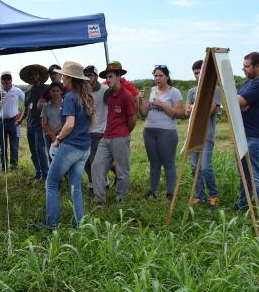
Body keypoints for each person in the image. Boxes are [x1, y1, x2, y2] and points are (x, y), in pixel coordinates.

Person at [44, 61, 95, 230]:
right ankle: (78, 224)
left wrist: (57, 140)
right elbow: (92, 124)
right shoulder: (85, 96)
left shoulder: (70, 97)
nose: (61, 77)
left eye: (63, 75)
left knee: (51, 183)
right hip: (84, 148)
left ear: (69, 78)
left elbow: (69, 124)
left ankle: (51, 225)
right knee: (75, 187)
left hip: (70, 147)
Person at [91, 63, 137, 205]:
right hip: (106, 136)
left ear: (119, 77)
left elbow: (132, 120)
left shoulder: (126, 96)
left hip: (120, 137)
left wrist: (124, 134)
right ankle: (99, 200)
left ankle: (120, 199)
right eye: (107, 77)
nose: (108, 79)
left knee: (122, 170)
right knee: (96, 166)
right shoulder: (109, 94)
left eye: (111, 76)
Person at [235, 52, 259, 215]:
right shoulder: (249, 82)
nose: (243, 68)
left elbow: (238, 100)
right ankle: (243, 204)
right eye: (243, 65)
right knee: (244, 173)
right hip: (244, 133)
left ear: (258, 66)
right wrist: (239, 101)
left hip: (256, 135)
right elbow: (237, 99)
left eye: (247, 66)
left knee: (257, 174)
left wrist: (240, 102)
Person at [140, 65, 184, 200]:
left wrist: (163, 104)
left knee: (168, 162)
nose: (157, 78)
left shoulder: (174, 92)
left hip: (167, 131)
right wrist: (139, 101)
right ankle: (152, 191)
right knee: (154, 163)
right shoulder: (149, 91)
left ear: (167, 77)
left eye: (160, 75)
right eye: (155, 76)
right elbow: (143, 114)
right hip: (149, 130)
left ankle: (171, 192)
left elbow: (179, 114)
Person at [185, 59, 222, 208]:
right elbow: (187, 111)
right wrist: (193, 108)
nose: (197, 75)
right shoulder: (191, 91)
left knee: (205, 167)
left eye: (200, 72)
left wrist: (195, 108)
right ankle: (199, 196)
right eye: (195, 73)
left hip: (207, 134)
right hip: (193, 134)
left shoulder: (215, 89)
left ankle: (213, 195)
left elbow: (212, 109)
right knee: (195, 167)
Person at [18, 64, 49, 180]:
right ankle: (38, 173)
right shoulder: (28, 91)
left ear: (40, 76)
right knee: (33, 151)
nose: (34, 76)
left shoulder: (46, 89)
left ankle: (46, 175)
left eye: (36, 74)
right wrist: (21, 119)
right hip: (30, 125)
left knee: (40, 150)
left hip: (41, 125)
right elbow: (26, 108)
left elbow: (52, 104)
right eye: (32, 75)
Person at [0, 71, 25, 172]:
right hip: (1, 122)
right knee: (2, 147)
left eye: (8, 78)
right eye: (4, 78)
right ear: (0, 80)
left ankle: (14, 166)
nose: (6, 80)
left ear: (11, 79)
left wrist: (21, 115)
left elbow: (26, 103)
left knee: (14, 146)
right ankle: (3, 167)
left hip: (13, 122)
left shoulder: (17, 91)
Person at [83, 65, 109, 193]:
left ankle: (97, 185)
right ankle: (98, 181)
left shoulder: (105, 90)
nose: (88, 78)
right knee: (86, 160)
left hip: (100, 130)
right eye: (86, 75)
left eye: (91, 75)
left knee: (94, 160)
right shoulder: (82, 90)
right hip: (85, 131)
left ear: (96, 77)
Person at [41, 81, 64, 160]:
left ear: (61, 91)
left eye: (57, 91)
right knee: (51, 157)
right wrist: (52, 135)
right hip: (49, 136)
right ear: (50, 92)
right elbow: (44, 123)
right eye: (53, 91)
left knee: (63, 158)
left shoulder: (66, 104)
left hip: (63, 135)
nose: (55, 93)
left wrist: (55, 134)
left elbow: (66, 122)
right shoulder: (46, 106)